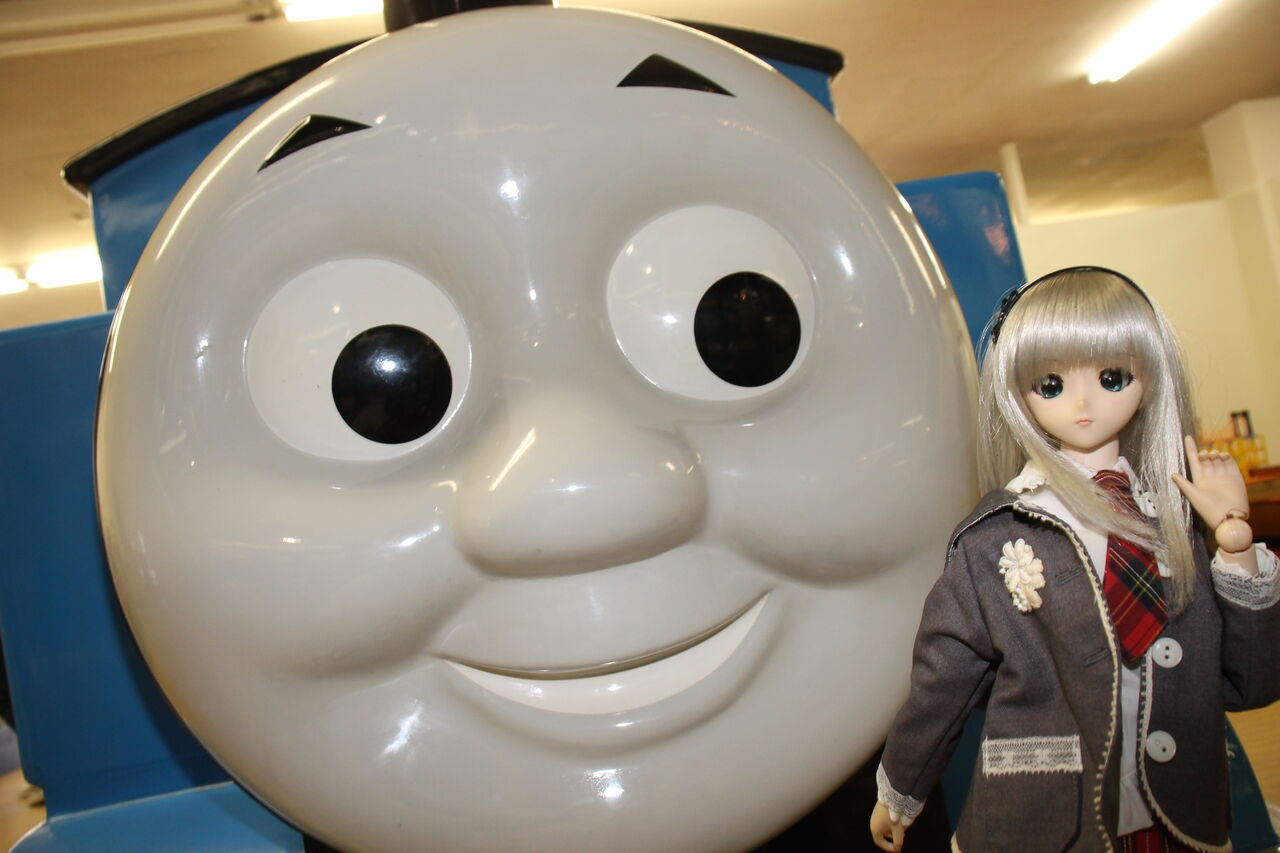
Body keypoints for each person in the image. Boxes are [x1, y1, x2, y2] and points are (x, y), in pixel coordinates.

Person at [869, 266, 1280, 852]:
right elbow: (946, 676)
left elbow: (1249, 684)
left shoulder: (1175, 523)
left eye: (1112, 377)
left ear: (1150, 378)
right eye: (1051, 384)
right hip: (1047, 818)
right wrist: (901, 789)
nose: (1083, 403)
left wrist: (1236, 544)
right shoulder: (997, 536)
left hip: (1178, 815)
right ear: (1018, 392)